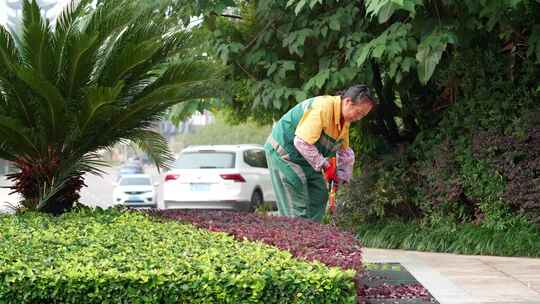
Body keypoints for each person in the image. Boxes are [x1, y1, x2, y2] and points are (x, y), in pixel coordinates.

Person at [264, 84, 376, 222]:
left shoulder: (344, 120)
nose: (359, 118)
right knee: (296, 205)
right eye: (359, 113)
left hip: (305, 159)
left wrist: (342, 178)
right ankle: (295, 238)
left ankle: (312, 237)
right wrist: (325, 165)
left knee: (319, 195)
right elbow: (302, 142)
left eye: (362, 115)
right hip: (284, 154)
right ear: (348, 102)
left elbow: (345, 152)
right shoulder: (322, 108)